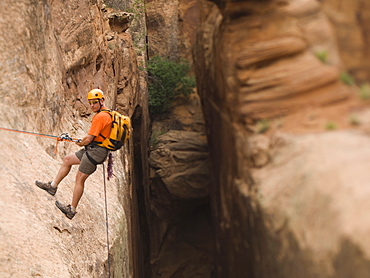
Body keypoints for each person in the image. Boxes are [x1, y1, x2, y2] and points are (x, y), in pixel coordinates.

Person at [35, 89, 112, 219]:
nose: (92, 105)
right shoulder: (106, 113)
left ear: (102, 101)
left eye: (95, 103)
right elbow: (94, 137)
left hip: (95, 152)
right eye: (90, 103)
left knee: (79, 179)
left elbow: (88, 139)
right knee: (67, 160)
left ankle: (72, 210)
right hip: (94, 148)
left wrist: (81, 143)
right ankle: (52, 187)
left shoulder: (100, 117)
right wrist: (82, 141)